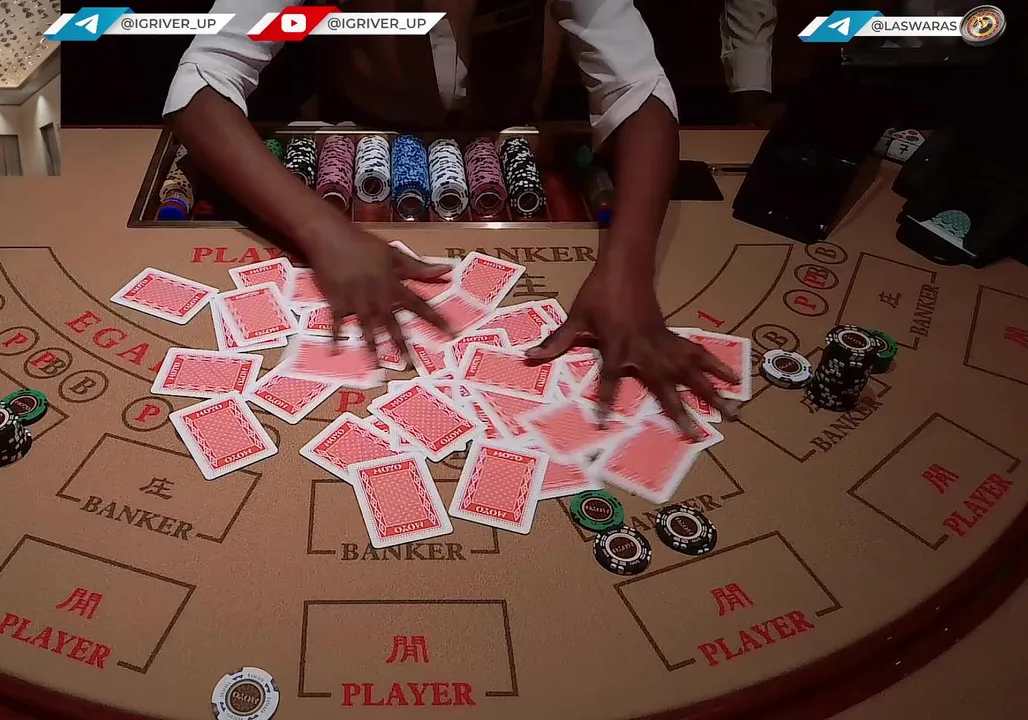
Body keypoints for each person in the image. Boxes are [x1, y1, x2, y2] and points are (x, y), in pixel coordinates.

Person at [166, 0, 738, 435]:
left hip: (505, 147)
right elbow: (202, 79)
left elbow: (638, 86)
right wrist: (323, 230)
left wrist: (628, 269)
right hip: (364, 153)